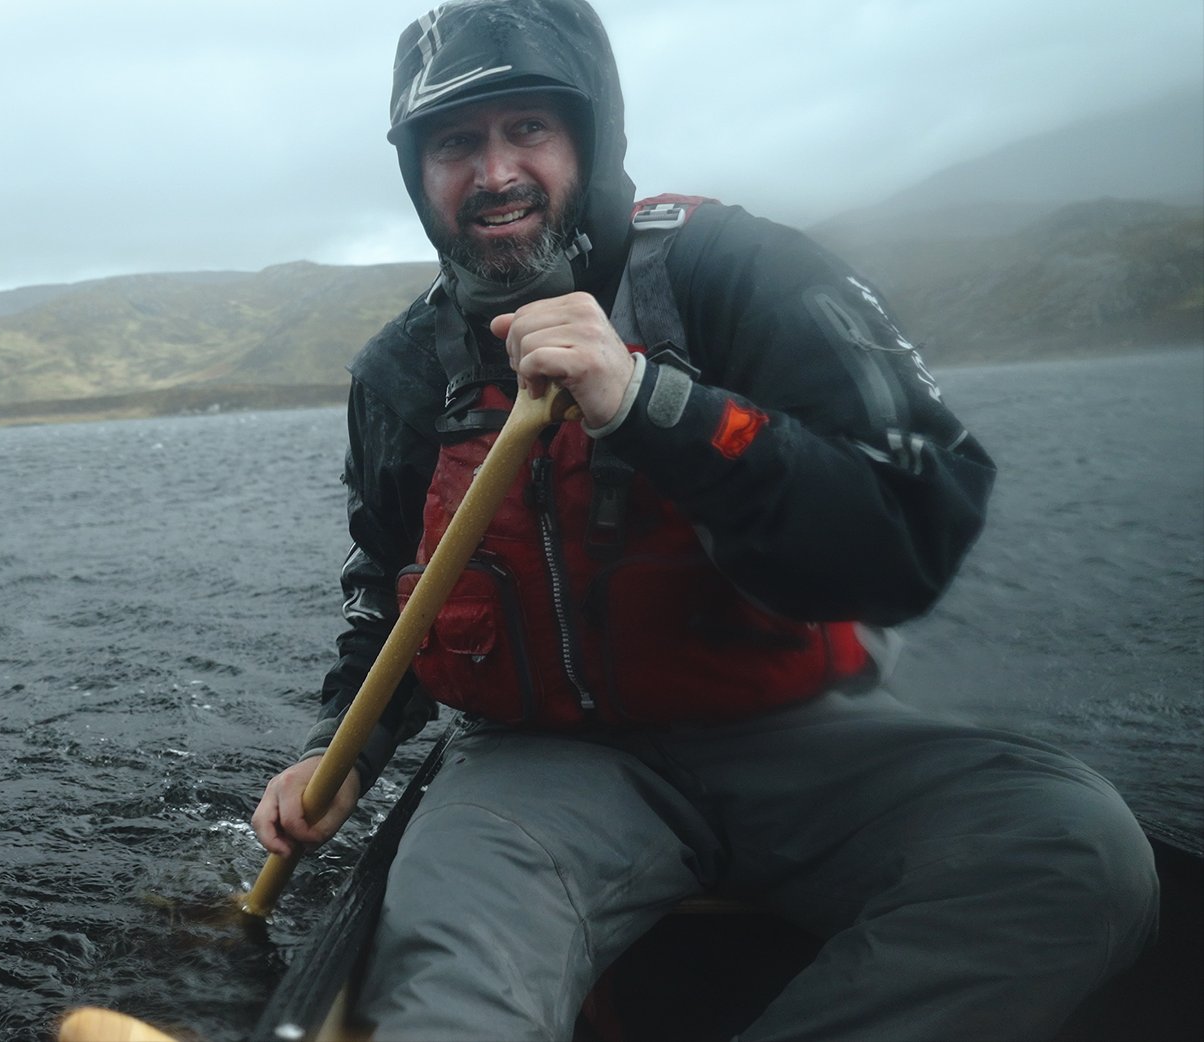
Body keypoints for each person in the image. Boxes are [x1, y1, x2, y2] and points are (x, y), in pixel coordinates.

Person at [246, 0, 1159, 1038]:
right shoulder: (401, 371)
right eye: (455, 142)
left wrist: (649, 404)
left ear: (591, 138)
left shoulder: (736, 270)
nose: (494, 171)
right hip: (541, 769)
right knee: (454, 988)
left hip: (801, 743)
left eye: (528, 129)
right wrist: (344, 751)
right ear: (417, 175)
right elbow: (394, 595)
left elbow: (914, 525)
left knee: (1072, 850)